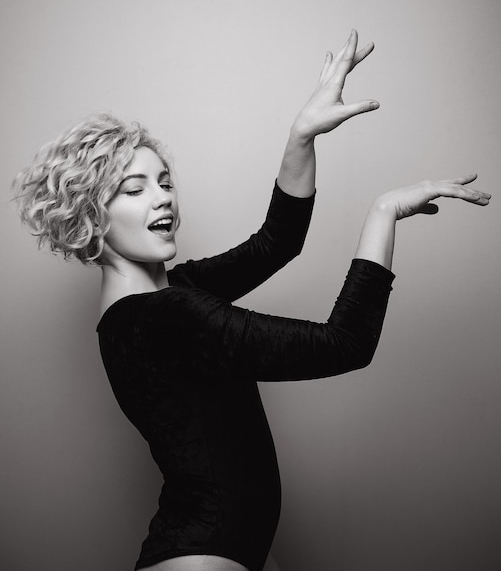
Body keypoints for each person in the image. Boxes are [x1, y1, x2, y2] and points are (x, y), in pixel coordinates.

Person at [13, 30, 491, 571]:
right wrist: (382, 212)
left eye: (164, 181)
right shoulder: (167, 315)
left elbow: (277, 242)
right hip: (205, 555)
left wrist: (301, 137)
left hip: (226, 550)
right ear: (91, 217)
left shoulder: (167, 298)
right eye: (134, 188)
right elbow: (345, 344)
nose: (163, 196)